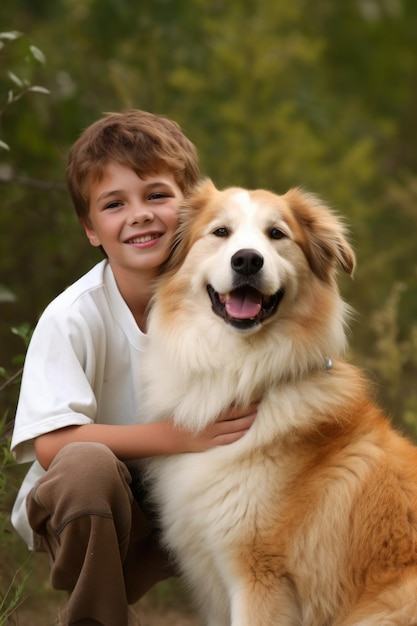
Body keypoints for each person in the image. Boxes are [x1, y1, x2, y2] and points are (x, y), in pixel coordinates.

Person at [10, 110, 257, 626]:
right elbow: (52, 445)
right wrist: (181, 436)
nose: (139, 214)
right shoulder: (74, 316)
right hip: (89, 505)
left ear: (193, 208)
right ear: (91, 229)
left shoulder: (224, 294)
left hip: (189, 489)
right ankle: (100, 620)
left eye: (157, 195)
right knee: (86, 466)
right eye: (114, 204)